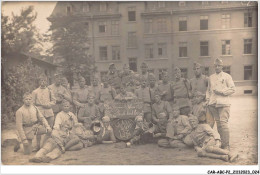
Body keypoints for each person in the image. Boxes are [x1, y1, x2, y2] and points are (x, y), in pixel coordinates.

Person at [206, 58, 235, 150]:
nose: (217, 67)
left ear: (222, 66)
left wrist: (222, 92)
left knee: (223, 123)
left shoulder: (227, 76)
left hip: (224, 104)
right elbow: (208, 91)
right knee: (218, 124)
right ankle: (222, 142)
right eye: (215, 66)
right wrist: (208, 100)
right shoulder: (211, 77)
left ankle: (226, 145)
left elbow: (232, 89)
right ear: (214, 67)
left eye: (219, 65)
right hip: (213, 104)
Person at [32, 75, 56, 151]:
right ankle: (37, 146)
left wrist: (49, 104)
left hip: (49, 112)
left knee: (50, 129)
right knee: (38, 129)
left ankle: (46, 145)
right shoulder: (35, 91)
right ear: (39, 82)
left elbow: (54, 101)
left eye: (44, 81)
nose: (43, 82)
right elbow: (32, 103)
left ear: (47, 82)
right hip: (39, 112)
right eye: (41, 80)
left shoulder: (49, 91)